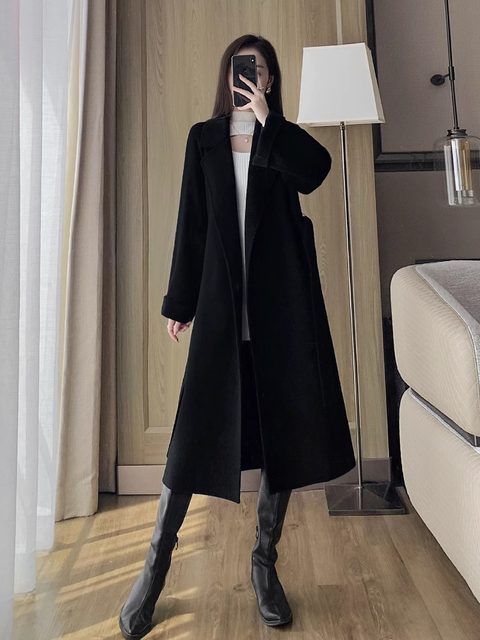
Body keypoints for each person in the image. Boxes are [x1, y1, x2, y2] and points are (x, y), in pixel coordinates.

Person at [119, 34, 356, 639]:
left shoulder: (282, 139)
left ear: (269, 80)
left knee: (281, 436)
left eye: (259, 70)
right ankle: (154, 569)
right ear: (227, 77)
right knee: (191, 439)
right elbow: (191, 224)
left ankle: (263, 564)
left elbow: (317, 172)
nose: (248, 78)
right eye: (239, 69)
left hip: (281, 312)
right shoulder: (203, 139)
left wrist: (268, 121)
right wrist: (180, 303)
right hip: (222, 310)